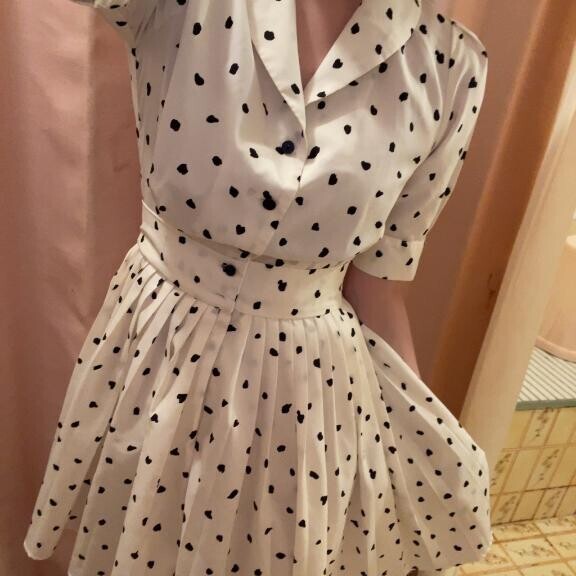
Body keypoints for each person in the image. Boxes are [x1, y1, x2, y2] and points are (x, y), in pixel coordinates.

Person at [23, 1, 492, 575]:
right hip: (159, 356)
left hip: (310, 400)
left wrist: (414, 460)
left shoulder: (449, 66)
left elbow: (378, 288)